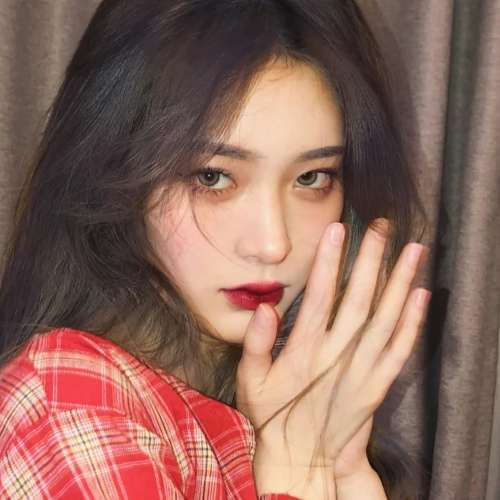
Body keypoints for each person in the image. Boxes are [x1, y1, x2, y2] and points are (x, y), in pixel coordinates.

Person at [0, 0, 432, 498]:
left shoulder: (274, 404)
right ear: (114, 174)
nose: (272, 244)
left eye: (312, 178)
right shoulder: (72, 409)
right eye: (213, 177)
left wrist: (344, 474)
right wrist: (299, 471)